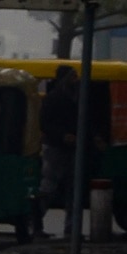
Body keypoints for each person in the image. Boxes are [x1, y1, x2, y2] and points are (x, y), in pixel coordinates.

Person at [39, 65, 81, 236]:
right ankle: (35, 222)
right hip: (56, 148)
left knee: (73, 189)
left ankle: (71, 227)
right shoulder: (54, 98)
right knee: (49, 186)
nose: (75, 79)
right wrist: (62, 135)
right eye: (72, 76)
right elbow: (44, 123)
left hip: (72, 148)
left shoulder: (77, 96)